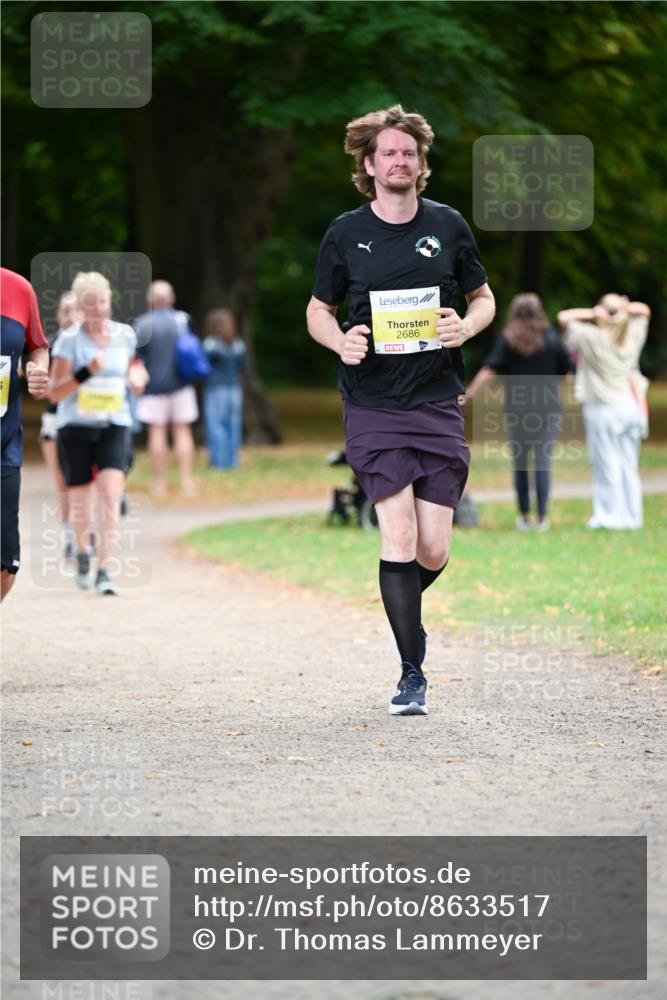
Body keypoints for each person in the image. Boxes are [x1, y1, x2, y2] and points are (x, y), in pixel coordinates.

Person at [306, 104, 495, 716]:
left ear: (420, 164)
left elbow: (485, 299)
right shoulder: (343, 233)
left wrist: (464, 327)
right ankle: (411, 670)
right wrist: (341, 341)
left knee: (434, 548)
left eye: (409, 153)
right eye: (388, 153)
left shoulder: (448, 225)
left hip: (438, 400)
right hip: (373, 404)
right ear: (368, 163)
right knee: (401, 532)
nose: (399, 161)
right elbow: (317, 310)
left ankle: (406, 616)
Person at [47, 271, 148, 595]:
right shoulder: (69, 340)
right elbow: (54, 393)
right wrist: (84, 372)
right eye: (90, 304)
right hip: (75, 426)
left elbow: (134, 367)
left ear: (109, 300)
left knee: (109, 495)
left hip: (114, 423)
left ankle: (105, 570)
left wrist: (137, 379)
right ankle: (82, 551)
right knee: (81, 500)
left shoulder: (125, 334)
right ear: (81, 306)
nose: (98, 309)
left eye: (102, 302)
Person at [466, 293, 572, 531]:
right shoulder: (552, 339)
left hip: (518, 412)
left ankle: (524, 516)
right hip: (548, 411)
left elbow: (489, 371)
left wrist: (468, 394)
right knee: (543, 464)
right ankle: (542, 518)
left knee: (521, 465)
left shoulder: (508, 340)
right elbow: (566, 373)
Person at [557, 294, 650, 530]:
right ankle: (632, 516)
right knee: (628, 464)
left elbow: (563, 317)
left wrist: (592, 312)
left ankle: (609, 516)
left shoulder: (593, 337)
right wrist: (624, 309)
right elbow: (645, 311)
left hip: (603, 409)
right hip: (630, 407)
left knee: (605, 464)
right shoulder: (632, 335)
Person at [1, 267, 50, 602]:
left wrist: (38, 369)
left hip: (4, 446)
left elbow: (37, 346)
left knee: (5, 567)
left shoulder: (18, 289)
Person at [133, 280, 199, 497]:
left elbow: (136, 358)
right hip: (182, 385)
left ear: (150, 300)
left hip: (153, 388)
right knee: (182, 431)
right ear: (171, 299)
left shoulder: (142, 324)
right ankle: (187, 482)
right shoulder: (183, 320)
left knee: (157, 433)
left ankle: (160, 483)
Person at [39, 290, 85, 561]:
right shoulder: (51, 345)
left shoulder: (97, 342)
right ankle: (70, 535)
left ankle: (87, 534)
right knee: (63, 480)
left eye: (74, 308)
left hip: (90, 418)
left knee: (87, 481)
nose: (69, 315)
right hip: (56, 419)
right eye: (64, 310)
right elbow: (41, 384)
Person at [202, 308, 246, 468]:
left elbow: (203, 367)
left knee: (216, 425)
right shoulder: (238, 344)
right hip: (235, 389)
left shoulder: (210, 344)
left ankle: (218, 462)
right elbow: (243, 367)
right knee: (233, 425)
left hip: (216, 389)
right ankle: (233, 462)